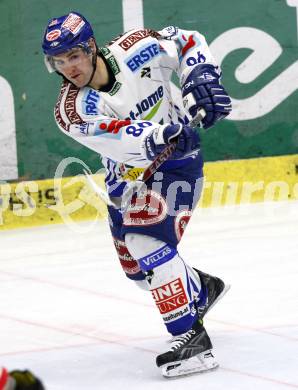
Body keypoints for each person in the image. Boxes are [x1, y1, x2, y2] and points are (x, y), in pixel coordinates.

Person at [42, 11, 232, 378]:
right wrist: (163, 135)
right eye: (59, 62)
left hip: (176, 168)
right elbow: (122, 137)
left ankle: (193, 342)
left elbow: (187, 39)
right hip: (126, 183)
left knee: (144, 240)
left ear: (91, 47)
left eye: (74, 56)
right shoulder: (72, 110)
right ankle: (201, 289)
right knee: (140, 274)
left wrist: (200, 75)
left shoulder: (137, 48)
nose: (69, 68)